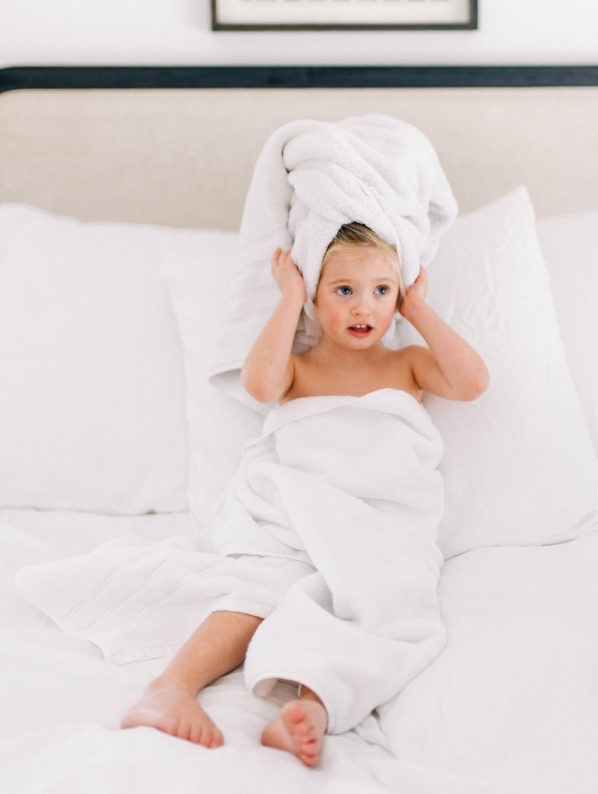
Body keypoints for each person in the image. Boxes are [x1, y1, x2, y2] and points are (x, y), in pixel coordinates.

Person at [121, 223, 489, 766]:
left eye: (380, 291)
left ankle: (313, 708)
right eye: (344, 290)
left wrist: (419, 312)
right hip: (299, 512)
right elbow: (259, 387)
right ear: (316, 293)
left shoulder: (405, 363)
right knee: (263, 590)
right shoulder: (299, 368)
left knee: (380, 599)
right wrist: (290, 297)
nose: (364, 307)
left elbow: (473, 382)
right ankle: (169, 688)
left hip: (378, 522)